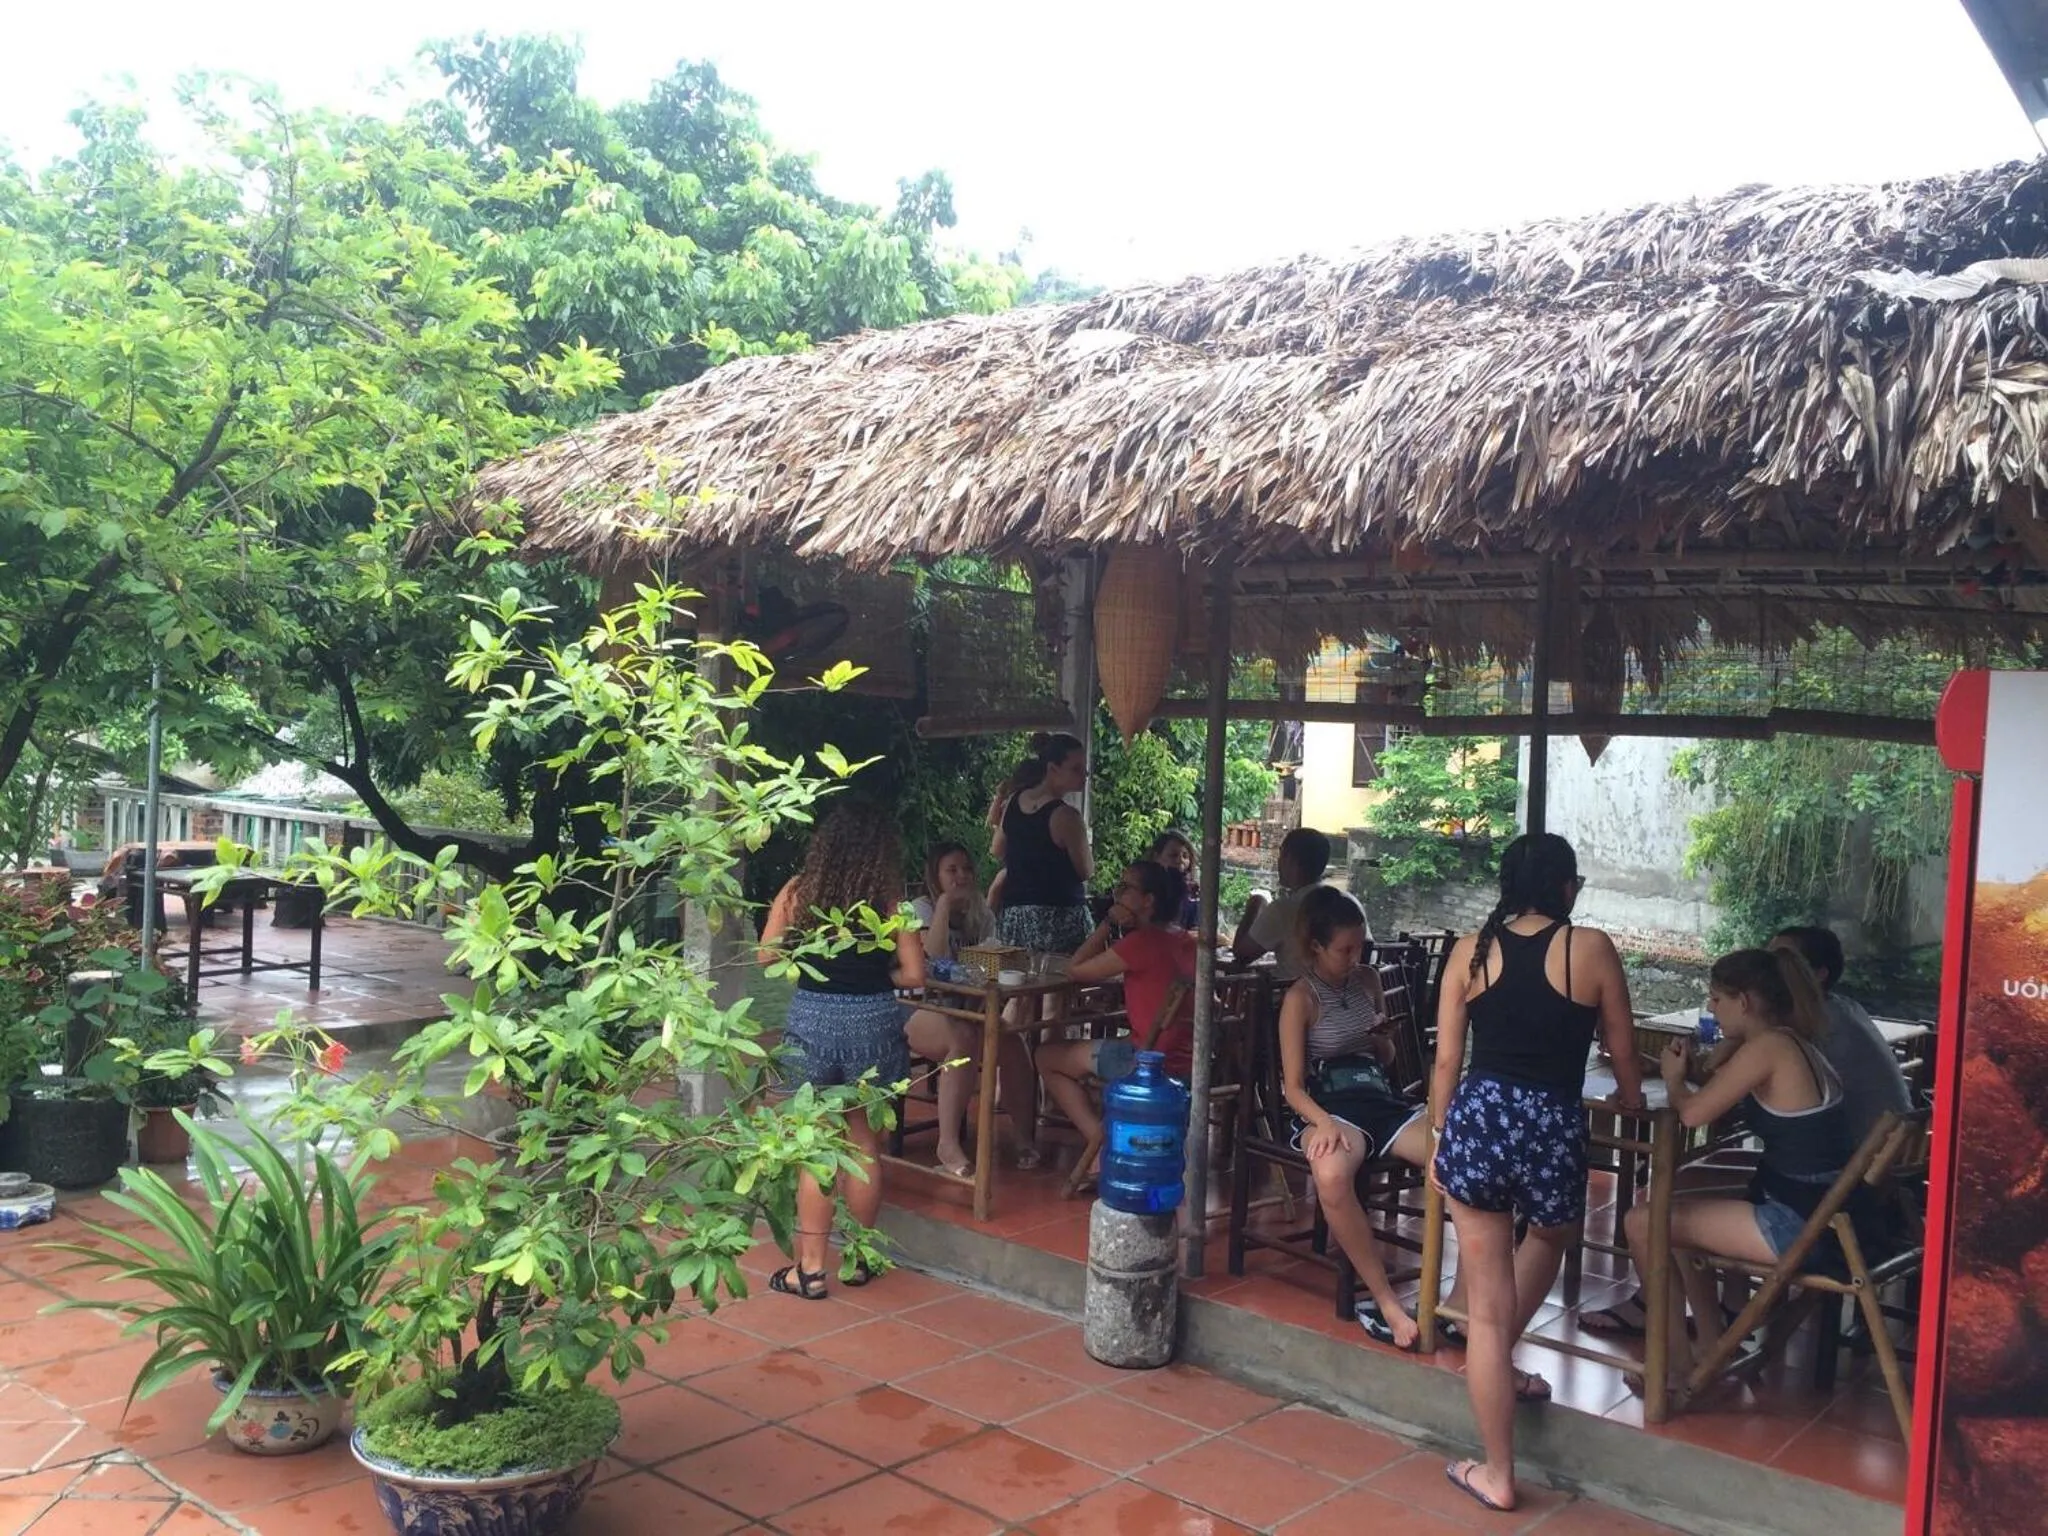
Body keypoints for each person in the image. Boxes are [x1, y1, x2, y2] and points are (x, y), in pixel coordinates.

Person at [1431, 833, 1643, 1515]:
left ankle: (1496, 1471)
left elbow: (1446, 1061)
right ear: (1563, 887)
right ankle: (1502, 1359)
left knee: (1485, 1317)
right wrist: (1634, 1099)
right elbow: (1622, 1048)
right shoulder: (1591, 948)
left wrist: (1441, 1138)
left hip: (1481, 1117)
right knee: (1550, 1238)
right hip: (1550, 1122)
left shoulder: (1471, 949)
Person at [1619, 946, 1864, 1397]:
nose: (1711, 1008)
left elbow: (1692, 1115)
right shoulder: (1796, 1043)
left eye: (1716, 999)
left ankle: (1676, 1370)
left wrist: (1674, 1078)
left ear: (1745, 1003)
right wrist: (1713, 1058)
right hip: (1827, 1216)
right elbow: (1722, 1092)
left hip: (1799, 1226)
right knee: (1676, 1216)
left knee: (1642, 1222)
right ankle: (1714, 1353)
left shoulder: (1769, 1047)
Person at [1278, 885, 1463, 1350]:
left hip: (1379, 1098)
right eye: (1345, 949)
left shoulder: (1367, 980)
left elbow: (1384, 1055)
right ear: (1316, 946)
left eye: (1359, 944)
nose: (1355, 955)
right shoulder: (1301, 998)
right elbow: (1292, 1087)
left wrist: (1382, 1039)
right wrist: (1322, 1123)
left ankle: (1459, 1302)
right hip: (1330, 1105)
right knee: (1333, 1175)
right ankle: (1386, 1302)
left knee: (1462, 1161)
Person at [757, 802, 925, 1301]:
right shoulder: (893, 903)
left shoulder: (798, 891)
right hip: (872, 1017)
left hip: (811, 1015)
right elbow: (915, 976)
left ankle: (808, 1269)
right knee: (862, 1141)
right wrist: (876, 977)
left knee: (817, 1144)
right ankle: (859, 1258)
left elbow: (766, 955)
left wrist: (812, 967)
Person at [1035, 861, 1196, 1183]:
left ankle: (1101, 1144)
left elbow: (1075, 969)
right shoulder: (1185, 939)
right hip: (1186, 1062)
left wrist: (1108, 924)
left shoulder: (1141, 942)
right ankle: (1107, 1142)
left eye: (1125, 889)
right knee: (1102, 1048)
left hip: (1146, 1063)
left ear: (1148, 900)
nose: (1117, 896)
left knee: (1046, 1056)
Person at [903, 842, 1037, 1176]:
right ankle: (947, 1146)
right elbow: (930, 958)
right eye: (951, 870)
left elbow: (990, 962)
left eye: (966, 868)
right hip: (912, 1006)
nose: (961, 876)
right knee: (961, 1038)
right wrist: (945, 904)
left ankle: (1023, 1137)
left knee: (1011, 1042)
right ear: (935, 876)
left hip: (966, 1005)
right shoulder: (919, 908)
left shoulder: (981, 911)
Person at [1768, 925, 1914, 1146]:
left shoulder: (1816, 1021)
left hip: (1858, 1161)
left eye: (1784, 960)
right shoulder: (1844, 1006)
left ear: (1819, 975)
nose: (1767, 969)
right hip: (1890, 1153)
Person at [990, 732, 1093, 954]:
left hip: (1015, 916)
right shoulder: (1067, 816)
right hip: (1060, 916)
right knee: (1064, 983)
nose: (1084, 775)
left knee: (1020, 984)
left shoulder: (1014, 802)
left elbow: (998, 850)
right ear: (1052, 769)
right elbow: (1086, 870)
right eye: (1075, 768)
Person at [1232, 827, 1345, 980]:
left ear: (1289, 859)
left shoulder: (1284, 909)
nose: (1278, 862)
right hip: (1342, 997)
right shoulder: (1349, 902)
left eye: (1281, 855)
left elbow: (1241, 954)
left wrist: (1254, 906)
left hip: (1293, 999)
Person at [1148, 829, 1202, 928]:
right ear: (1156, 857)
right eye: (1173, 855)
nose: (1180, 860)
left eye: (1185, 856)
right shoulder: (1144, 888)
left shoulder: (1193, 894)